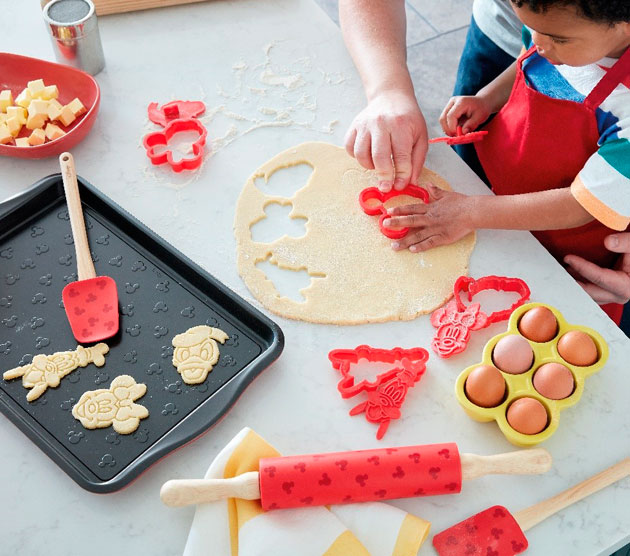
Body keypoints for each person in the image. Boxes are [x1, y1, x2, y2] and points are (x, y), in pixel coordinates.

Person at [365, 0, 630, 323]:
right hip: (497, 184)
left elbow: (582, 205)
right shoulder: (554, 29)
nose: (540, 43)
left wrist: (470, 212)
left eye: (558, 40)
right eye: (531, 27)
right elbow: (529, 60)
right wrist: (488, 97)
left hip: (559, 236)